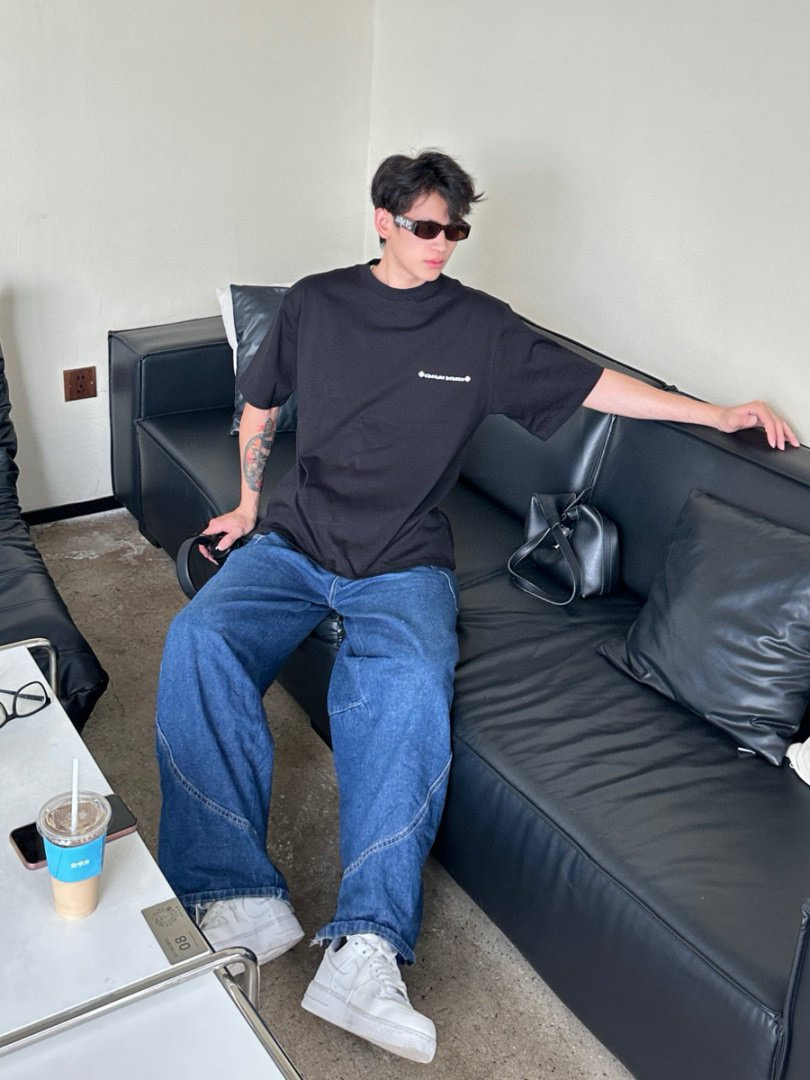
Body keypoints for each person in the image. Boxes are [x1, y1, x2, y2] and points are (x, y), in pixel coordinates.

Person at [155, 150, 798, 1065]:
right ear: (382, 220)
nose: (442, 245)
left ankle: (366, 947)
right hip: (295, 540)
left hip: (404, 562)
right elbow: (260, 406)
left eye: (456, 230)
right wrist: (251, 504)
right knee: (199, 639)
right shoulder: (316, 304)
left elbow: (593, 385)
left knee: (407, 689)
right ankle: (233, 893)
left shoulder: (481, 330)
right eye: (426, 227)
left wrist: (715, 412)